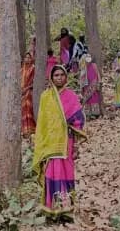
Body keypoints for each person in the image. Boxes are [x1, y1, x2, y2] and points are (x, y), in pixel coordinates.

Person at [33, 65, 86, 219]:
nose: (59, 78)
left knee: (66, 173)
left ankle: (66, 209)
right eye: (56, 75)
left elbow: (78, 120)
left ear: (66, 77)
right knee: (52, 173)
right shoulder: (45, 97)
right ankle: (52, 209)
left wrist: (75, 145)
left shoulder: (71, 96)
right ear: (51, 77)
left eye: (62, 75)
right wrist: (41, 142)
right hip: (50, 144)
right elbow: (43, 122)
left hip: (66, 142)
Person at [80, 54, 102, 118]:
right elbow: (81, 78)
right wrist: (81, 87)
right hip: (86, 85)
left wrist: (99, 81)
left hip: (94, 84)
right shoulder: (83, 67)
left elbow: (97, 73)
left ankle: (95, 113)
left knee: (94, 98)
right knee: (87, 99)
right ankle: (87, 113)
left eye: (89, 57)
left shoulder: (94, 65)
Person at [21, 52, 36, 137]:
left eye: (29, 58)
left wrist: (26, 89)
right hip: (22, 91)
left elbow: (34, 82)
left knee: (27, 103)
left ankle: (31, 128)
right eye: (26, 57)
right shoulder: (22, 69)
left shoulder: (33, 68)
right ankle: (24, 129)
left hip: (30, 90)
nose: (27, 59)